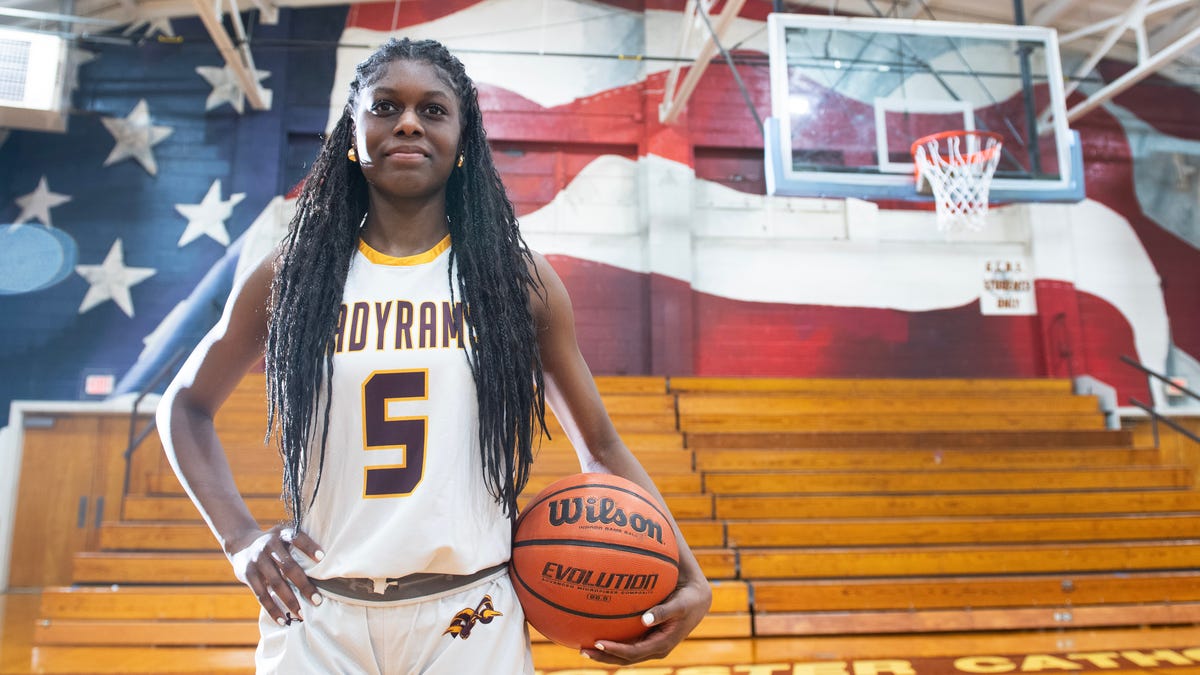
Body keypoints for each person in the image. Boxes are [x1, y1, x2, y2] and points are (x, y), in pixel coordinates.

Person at [157, 36, 712, 673]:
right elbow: (186, 406)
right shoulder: (292, 275)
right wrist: (240, 541)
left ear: (464, 140)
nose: (409, 122)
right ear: (352, 131)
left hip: (470, 614)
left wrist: (688, 576)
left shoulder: (516, 281)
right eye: (386, 106)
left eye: (434, 110)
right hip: (317, 613)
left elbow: (602, 449)